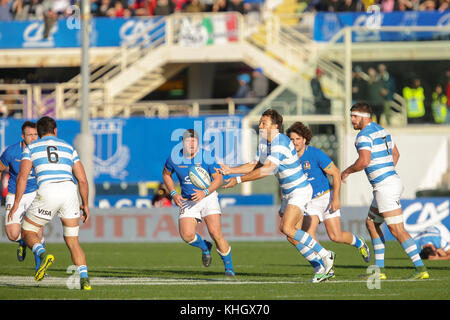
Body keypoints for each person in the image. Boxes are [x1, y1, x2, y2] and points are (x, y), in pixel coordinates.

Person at [218, 109, 335, 283]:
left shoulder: (280, 142)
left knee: (286, 228)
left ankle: (326, 255)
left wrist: (238, 179)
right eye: (260, 122)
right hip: (289, 193)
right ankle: (320, 267)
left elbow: (266, 170)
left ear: (275, 126)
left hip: (300, 190)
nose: (260, 125)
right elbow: (257, 164)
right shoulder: (265, 142)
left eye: (264, 122)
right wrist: (231, 170)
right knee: (291, 234)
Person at [341, 102, 429, 280]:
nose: (351, 120)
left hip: (385, 187)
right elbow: (396, 154)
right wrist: (387, 172)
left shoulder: (363, 136)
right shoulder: (383, 131)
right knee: (371, 223)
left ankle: (421, 269)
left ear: (364, 117)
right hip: (389, 182)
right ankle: (379, 270)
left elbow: (364, 161)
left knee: (397, 230)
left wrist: (347, 171)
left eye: (354, 116)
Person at [8, 116, 92, 290]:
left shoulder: (31, 147)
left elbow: (22, 177)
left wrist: (16, 204)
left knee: (27, 231)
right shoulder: (69, 148)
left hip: (48, 190)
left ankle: (42, 253)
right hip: (69, 192)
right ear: (55, 131)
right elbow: (82, 180)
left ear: (38, 133)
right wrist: (86, 204)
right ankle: (85, 279)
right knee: (73, 241)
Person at [286, 121, 371, 277]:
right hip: (308, 202)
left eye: (297, 139)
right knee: (308, 234)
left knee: (335, 236)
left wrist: (336, 198)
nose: (294, 142)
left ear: (304, 139)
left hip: (325, 198)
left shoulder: (315, 154)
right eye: (291, 139)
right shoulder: (289, 159)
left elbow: (336, 173)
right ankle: (325, 266)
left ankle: (359, 243)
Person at [162, 129, 235, 276]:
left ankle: (229, 269)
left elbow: (218, 179)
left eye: (194, 141)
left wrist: (205, 192)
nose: (191, 144)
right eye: (188, 141)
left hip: (208, 198)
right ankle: (205, 246)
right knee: (187, 235)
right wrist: (173, 193)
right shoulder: (174, 158)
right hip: (188, 201)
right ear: (182, 143)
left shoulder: (207, 157)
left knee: (215, 232)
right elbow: (166, 174)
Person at [0, 121, 43, 269]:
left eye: (35, 134)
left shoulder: (41, 150)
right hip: (14, 193)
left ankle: (39, 269)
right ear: (22, 136)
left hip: (35, 193)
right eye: (30, 135)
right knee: (12, 234)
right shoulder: (11, 152)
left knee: (37, 232)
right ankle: (22, 241)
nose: (33, 137)